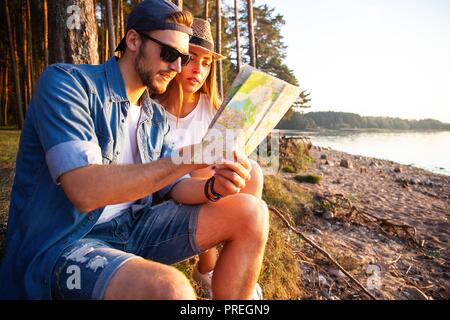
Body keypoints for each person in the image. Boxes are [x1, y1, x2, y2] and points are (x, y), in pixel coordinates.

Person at [0, 0, 269, 300]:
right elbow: (84, 190)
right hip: (65, 244)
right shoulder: (68, 85)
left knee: (252, 212)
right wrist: (188, 157)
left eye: (182, 57)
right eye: (169, 54)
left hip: (133, 231)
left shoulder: (154, 118)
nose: (177, 68)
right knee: (172, 289)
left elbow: (175, 187)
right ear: (133, 41)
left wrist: (212, 187)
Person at [157, 18, 264, 299]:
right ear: (174, 57)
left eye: (206, 63)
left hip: (207, 188)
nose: (198, 69)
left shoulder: (212, 109)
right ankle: (207, 265)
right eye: (192, 58)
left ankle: (232, 268)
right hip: (168, 192)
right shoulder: (152, 111)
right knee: (200, 167)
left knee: (251, 170)